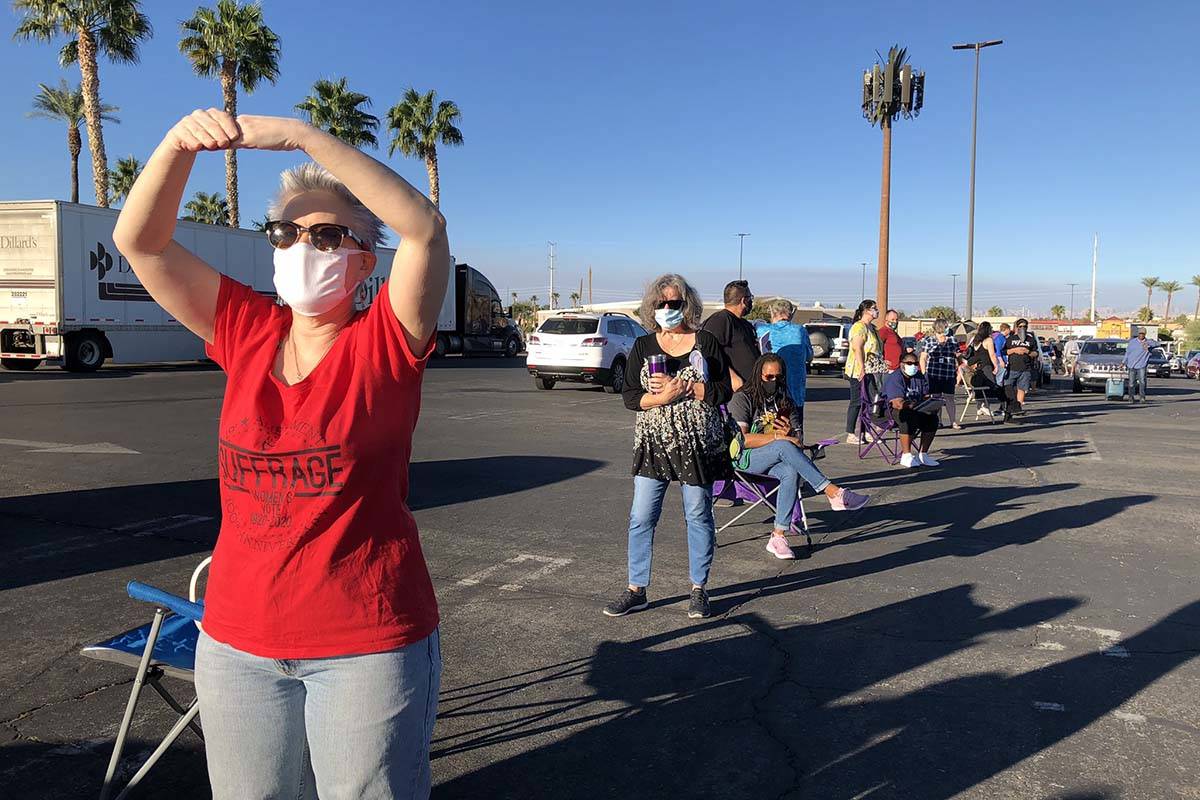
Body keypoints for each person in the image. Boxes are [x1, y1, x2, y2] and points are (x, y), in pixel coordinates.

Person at [113, 109, 446, 797]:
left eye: (326, 234)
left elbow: (425, 229)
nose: (302, 245)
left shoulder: (385, 342)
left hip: (366, 646)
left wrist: (302, 136)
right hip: (236, 643)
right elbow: (140, 243)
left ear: (362, 259)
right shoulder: (244, 329)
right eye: (286, 231)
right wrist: (177, 143)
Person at [605, 274, 733, 621]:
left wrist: (691, 391)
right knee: (641, 516)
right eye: (660, 304)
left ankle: (699, 589)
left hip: (697, 444)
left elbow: (725, 389)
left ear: (686, 305)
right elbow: (630, 396)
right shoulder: (643, 347)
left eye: (673, 303)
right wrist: (661, 397)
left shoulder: (705, 342)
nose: (666, 309)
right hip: (654, 443)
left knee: (698, 515)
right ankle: (636, 589)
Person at [729, 354, 868, 559]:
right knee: (782, 446)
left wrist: (790, 434)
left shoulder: (785, 400)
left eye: (778, 377)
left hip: (776, 457)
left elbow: (798, 443)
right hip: (744, 458)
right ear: (759, 374)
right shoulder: (743, 397)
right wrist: (778, 436)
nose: (774, 382)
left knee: (791, 471)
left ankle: (778, 536)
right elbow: (743, 439)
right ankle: (832, 492)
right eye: (769, 377)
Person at [754, 298, 813, 437]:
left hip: (770, 391)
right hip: (795, 392)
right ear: (791, 313)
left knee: (769, 433)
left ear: (771, 312)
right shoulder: (800, 330)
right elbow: (809, 356)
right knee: (795, 431)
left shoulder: (762, 329)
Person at [884, 352, 941, 468]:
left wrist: (932, 403)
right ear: (901, 364)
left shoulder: (919, 376)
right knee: (907, 416)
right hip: (890, 410)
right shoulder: (895, 378)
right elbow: (897, 404)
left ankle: (923, 454)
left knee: (932, 417)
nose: (913, 366)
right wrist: (915, 405)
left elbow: (925, 395)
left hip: (915, 407)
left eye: (915, 363)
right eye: (909, 363)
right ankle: (906, 455)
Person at [702, 279, 760, 391]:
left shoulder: (744, 324)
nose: (751, 302)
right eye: (750, 298)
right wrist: (732, 377)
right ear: (744, 300)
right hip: (734, 393)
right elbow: (708, 353)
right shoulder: (720, 320)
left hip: (752, 390)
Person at [843, 299, 882, 444]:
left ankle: (865, 432)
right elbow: (857, 348)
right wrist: (862, 368)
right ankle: (851, 433)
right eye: (874, 308)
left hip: (872, 370)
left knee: (870, 401)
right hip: (857, 371)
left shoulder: (871, 328)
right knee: (857, 401)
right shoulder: (858, 327)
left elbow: (874, 350)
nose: (876, 310)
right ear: (866, 311)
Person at [919, 319, 961, 430]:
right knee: (936, 398)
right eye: (946, 326)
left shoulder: (952, 340)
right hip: (933, 373)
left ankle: (953, 421)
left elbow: (958, 355)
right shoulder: (929, 340)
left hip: (948, 373)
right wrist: (924, 373)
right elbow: (923, 357)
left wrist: (960, 366)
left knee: (950, 398)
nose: (948, 328)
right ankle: (938, 421)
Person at [965, 321, 1002, 418]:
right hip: (987, 365)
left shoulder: (975, 340)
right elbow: (992, 354)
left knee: (982, 386)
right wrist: (996, 365)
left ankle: (979, 407)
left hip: (978, 367)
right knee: (990, 385)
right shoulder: (988, 340)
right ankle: (985, 406)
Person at [1003, 318, 1037, 421]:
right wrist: (1014, 350)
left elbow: (1035, 353)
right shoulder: (1011, 339)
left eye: (1025, 326)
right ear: (1017, 327)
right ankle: (1008, 413)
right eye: (1020, 326)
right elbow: (1004, 351)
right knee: (1009, 390)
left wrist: (1028, 352)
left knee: (1021, 389)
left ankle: (1017, 408)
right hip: (1012, 368)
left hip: (1025, 368)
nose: (1022, 328)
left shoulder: (1030, 340)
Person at [1125, 326, 1151, 403]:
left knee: (1142, 382)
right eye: (1140, 333)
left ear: (1145, 334)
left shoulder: (1147, 343)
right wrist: (1123, 362)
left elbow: (1157, 344)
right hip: (1131, 365)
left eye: (1143, 334)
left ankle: (1142, 397)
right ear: (1138, 334)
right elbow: (1127, 353)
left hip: (1141, 365)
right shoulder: (1132, 342)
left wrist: (1149, 343)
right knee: (1131, 383)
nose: (1141, 335)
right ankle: (1131, 397)